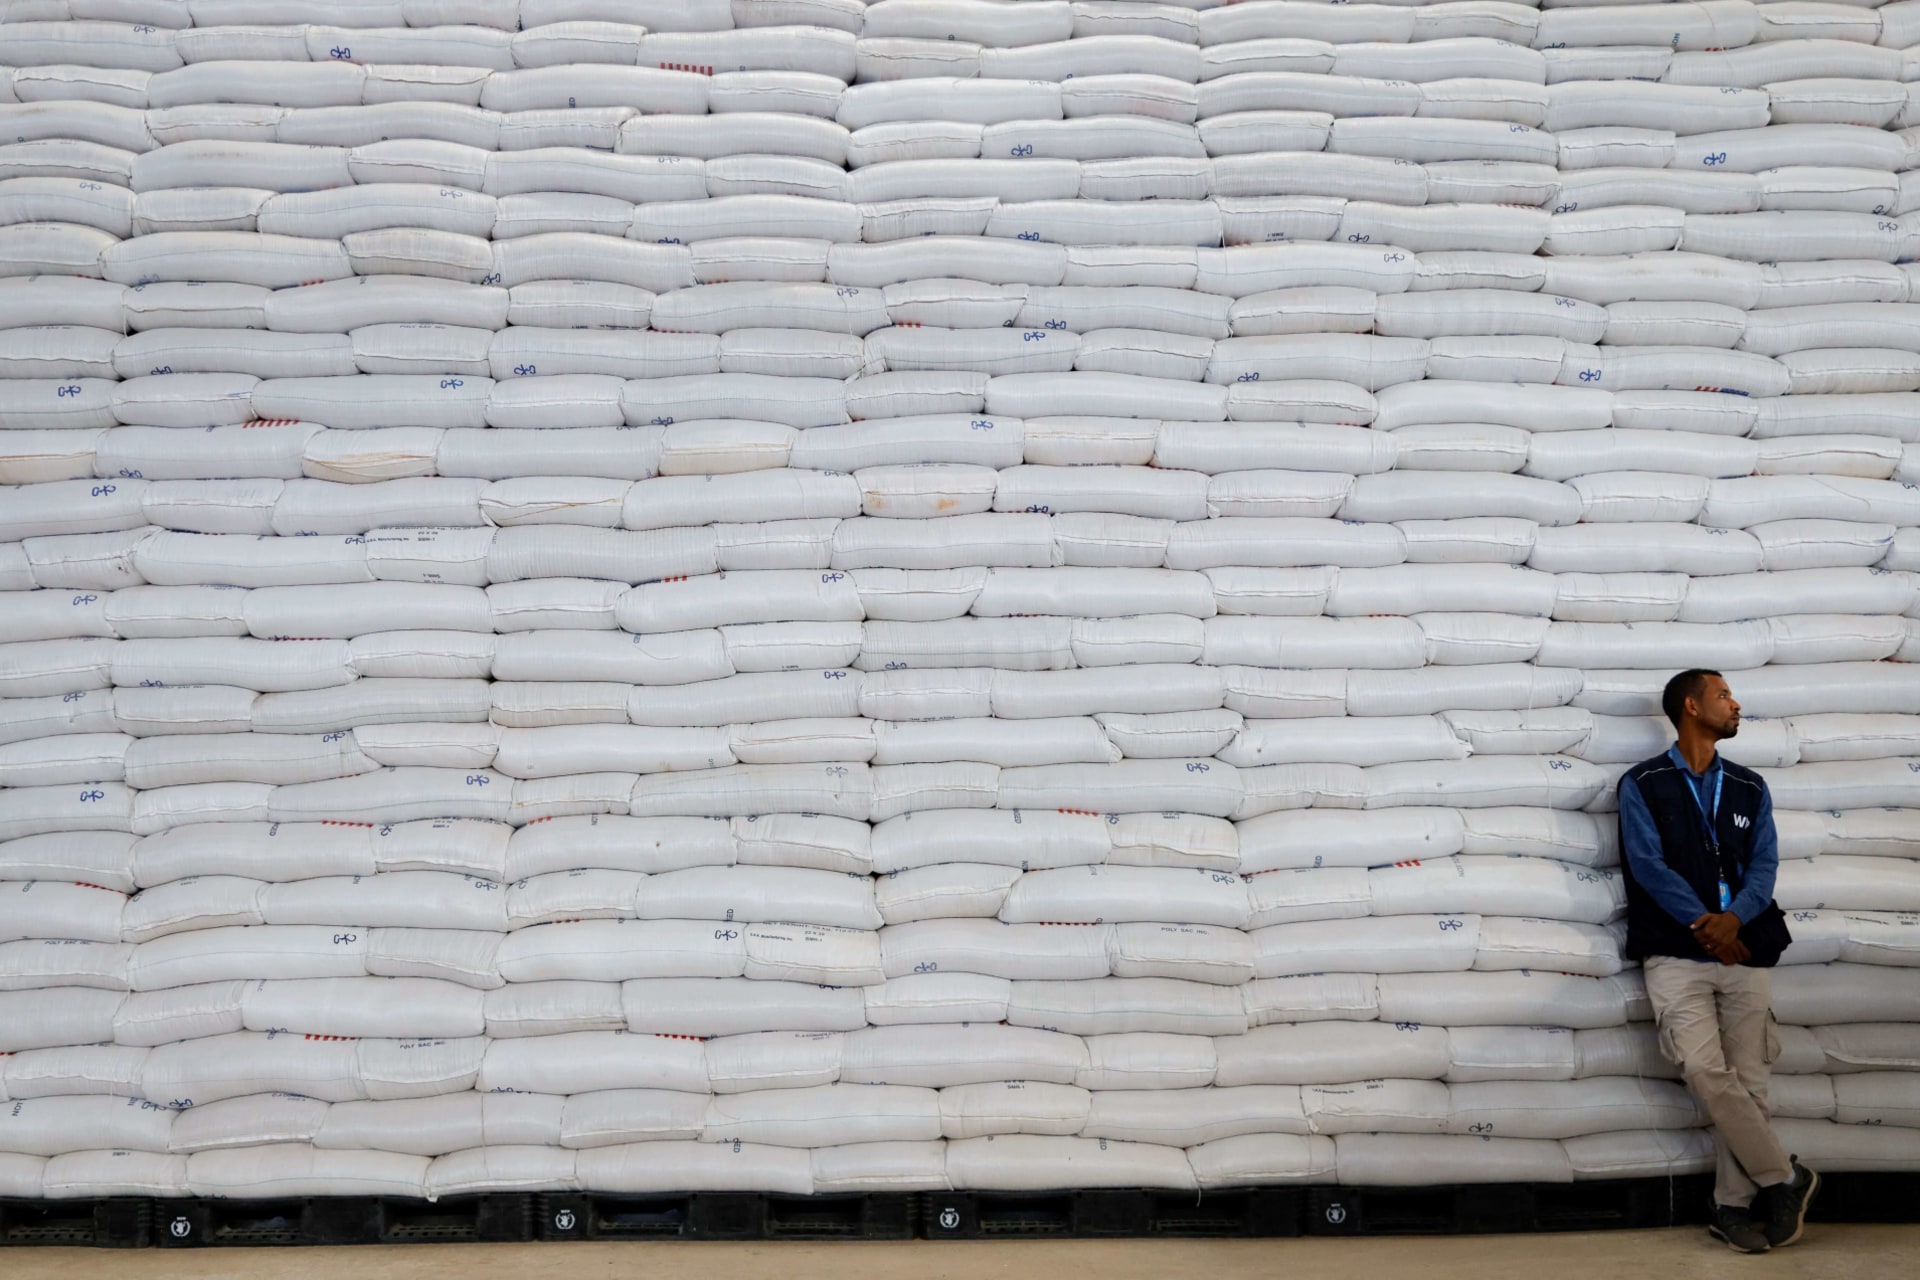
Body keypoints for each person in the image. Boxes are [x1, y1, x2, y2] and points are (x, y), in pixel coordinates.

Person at [1617, 669, 1818, 1254]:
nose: (1736, 704)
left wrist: (1736, 919)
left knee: (1751, 1084)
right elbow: (1648, 866)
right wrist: (1708, 926)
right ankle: (1785, 1178)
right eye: (1724, 695)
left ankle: (1730, 1208)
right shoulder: (1644, 783)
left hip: (1747, 948)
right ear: (1691, 706)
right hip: (1677, 952)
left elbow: (1764, 864)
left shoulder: (1750, 787)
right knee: (1705, 1072)